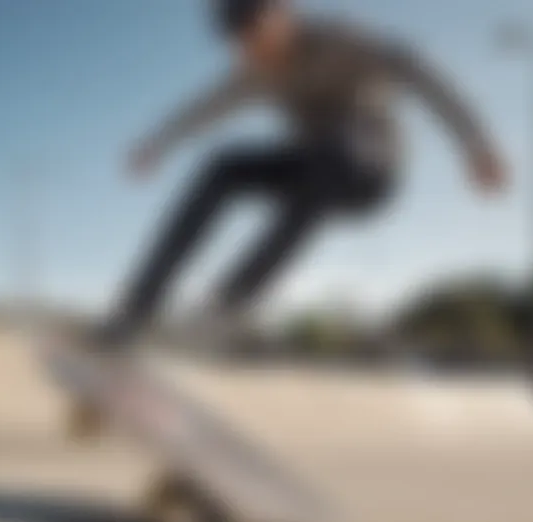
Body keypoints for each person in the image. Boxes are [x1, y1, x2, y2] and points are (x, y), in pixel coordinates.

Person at [95, 0, 507, 348]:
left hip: (371, 173)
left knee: (332, 149)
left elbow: (419, 73)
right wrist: (159, 143)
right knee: (222, 167)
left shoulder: (342, 42)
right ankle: (136, 310)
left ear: (283, 16)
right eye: (246, 49)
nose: (258, 56)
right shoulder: (256, 73)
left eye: (261, 40)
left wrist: (475, 142)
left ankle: (233, 300)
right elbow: (206, 107)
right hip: (313, 172)